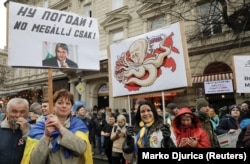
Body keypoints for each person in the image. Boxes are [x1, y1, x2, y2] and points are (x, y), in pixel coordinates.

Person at [28, 89, 93, 164]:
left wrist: (60, 127)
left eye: (68, 103)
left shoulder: (78, 124)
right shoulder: (41, 125)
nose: (64, 106)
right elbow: (35, 161)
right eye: (60, 103)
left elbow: (81, 149)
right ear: (53, 105)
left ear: (71, 107)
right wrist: (46, 136)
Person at [0, 98, 30, 163]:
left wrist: (26, 131)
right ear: (7, 113)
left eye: (22, 112)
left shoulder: (32, 130)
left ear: (27, 114)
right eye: (14, 111)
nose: (18, 115)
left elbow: (33, 151)